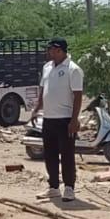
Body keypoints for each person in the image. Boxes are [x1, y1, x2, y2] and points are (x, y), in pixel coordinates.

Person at [35, 38, 84, 203]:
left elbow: (78, 95)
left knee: (67, 155)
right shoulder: (47, 67)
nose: (49, 52)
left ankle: (69, 188)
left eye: (52, 49)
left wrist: (74, 120)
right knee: (50, 155)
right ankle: (54, 187)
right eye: (49, 49)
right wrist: (37, 108)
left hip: (65, 119)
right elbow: (43, 90)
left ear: (60, 50)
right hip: (48, 118)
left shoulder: (73, 69)